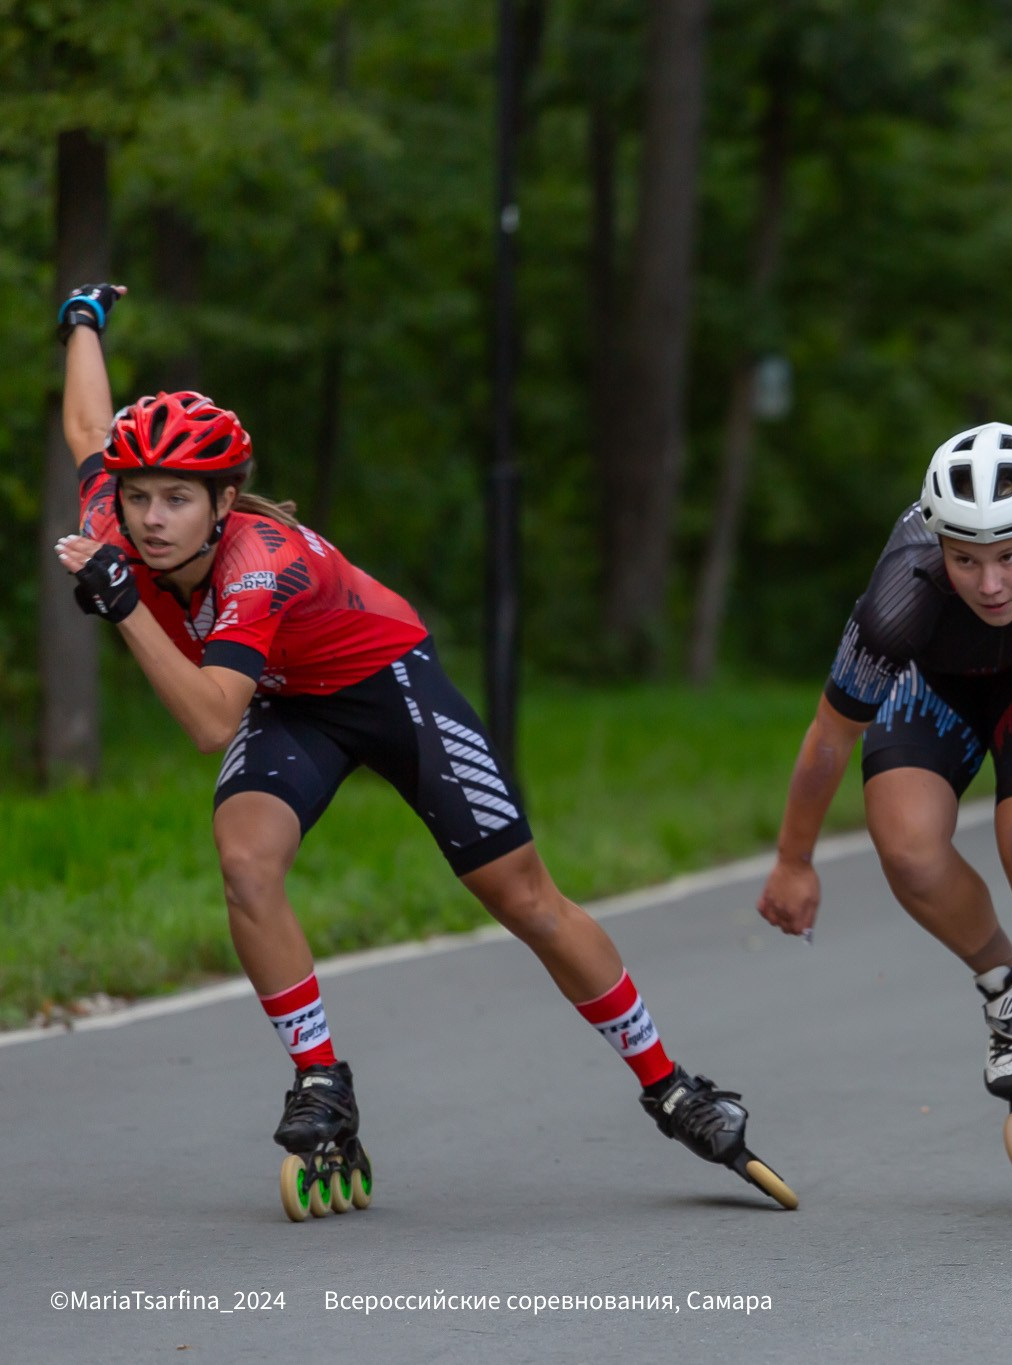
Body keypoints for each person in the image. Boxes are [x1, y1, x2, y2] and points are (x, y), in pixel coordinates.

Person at [50, 283, 794, 1220]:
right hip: (290, 700)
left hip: (385, 681)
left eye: (176, 500)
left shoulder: (258, 562)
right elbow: (88, 424)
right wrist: (84, 319)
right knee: (245, 862)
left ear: (224, 501)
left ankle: (669, 1084)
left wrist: (123, 607)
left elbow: (207, 723)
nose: (152, 518)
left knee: (524, 899)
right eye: (139, 497)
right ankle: (322, 1081)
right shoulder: (114, 522)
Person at [754, 422, 1012, 1221]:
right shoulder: (900, 596)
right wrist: (794, 858)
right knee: (906, 847)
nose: (990, 583)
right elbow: (829, 736)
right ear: (939, 546)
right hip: (930, 682)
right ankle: (1008, 986)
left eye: (1008, 557)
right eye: (965, 559)